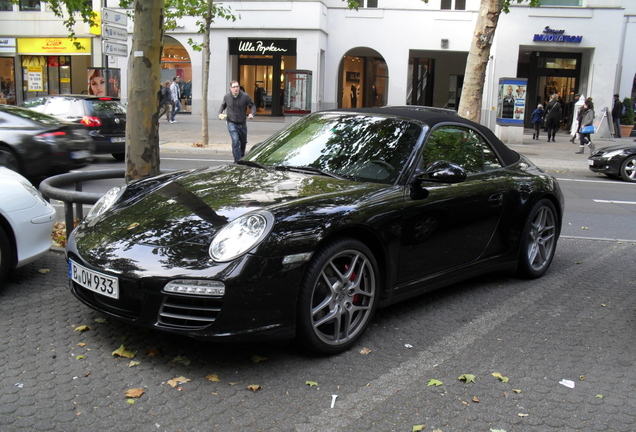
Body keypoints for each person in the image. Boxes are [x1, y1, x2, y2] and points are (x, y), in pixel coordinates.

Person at [218, 80, 256, 162]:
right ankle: (237, 160)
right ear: (230, 88)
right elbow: (223, 105)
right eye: (234, 87)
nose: (236, 89)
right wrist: (220, 113)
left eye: (237, 87)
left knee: (243, 142)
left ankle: (241, 157)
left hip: (242, 123)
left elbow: (252, 105)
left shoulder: (245, 96)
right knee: (235, 140)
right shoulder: (227, 97)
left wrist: (252, 114)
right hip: (231, 122)